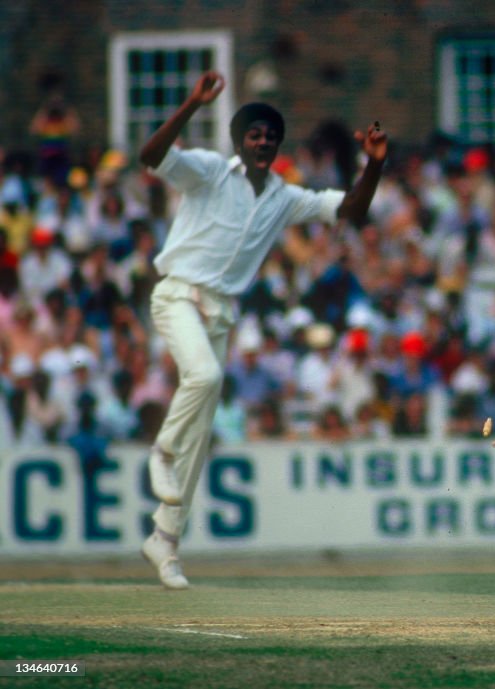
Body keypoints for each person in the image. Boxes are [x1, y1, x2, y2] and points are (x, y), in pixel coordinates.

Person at [138, 71, 387, 589]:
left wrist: (375, 165)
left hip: (222, 311)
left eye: (271, 138)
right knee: (203, 378)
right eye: (255, 136)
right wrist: (190, 103)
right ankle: (161, 449)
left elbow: (350, 210)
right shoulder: (208, 170)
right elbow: (152, 156)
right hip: (178, 293)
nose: (263, 143)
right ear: (238, 141)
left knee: (201, 435)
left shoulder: (282, 197)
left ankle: (165, 540)